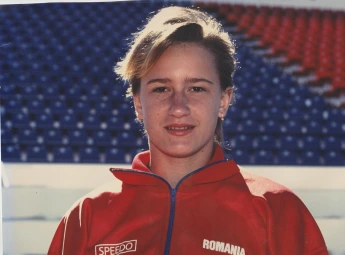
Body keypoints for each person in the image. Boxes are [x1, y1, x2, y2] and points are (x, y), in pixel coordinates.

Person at [48, 6, 328, 255]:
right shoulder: (87, 215)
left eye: (196, 88)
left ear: (223, 101)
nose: (178, 107)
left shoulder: (279, 211)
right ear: (138, 104)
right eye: (161, 89)